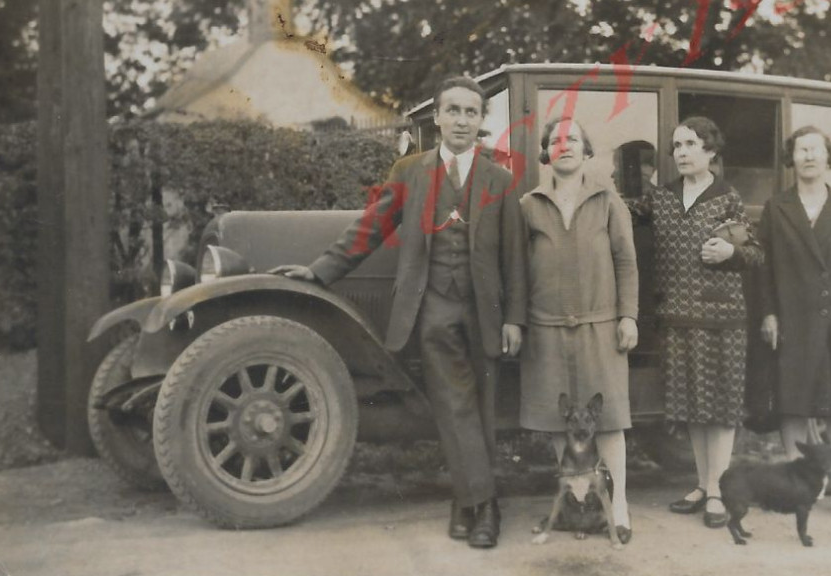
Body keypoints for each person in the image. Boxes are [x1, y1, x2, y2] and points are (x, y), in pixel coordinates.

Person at [275, 76, 526, 547]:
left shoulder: (501, 179)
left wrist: (515, 318)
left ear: (481, 121)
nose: (461, 121)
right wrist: (319, 272)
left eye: (471, 113)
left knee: (482, 410)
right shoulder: (410, 171)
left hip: (486, 311)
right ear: (437, 116)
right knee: (454, 405)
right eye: (453, 110)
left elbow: (516, 258)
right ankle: (485, 507)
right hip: (432, 307)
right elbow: (370, 228)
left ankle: (466, 499)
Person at [629, 116, 763, 530]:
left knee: (720, 409)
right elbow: (624, 213)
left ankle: (718, 491)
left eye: (690, 144)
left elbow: (755, 254)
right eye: (676, 146)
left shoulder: (728, 199)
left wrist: (731, 253)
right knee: (692, 406)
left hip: (721, 318)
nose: (682, 152)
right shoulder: (662, 197)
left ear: (710, 151)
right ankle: (704, 486)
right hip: (678, 318)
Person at [519, 117, 640, 543]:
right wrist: (518, 322)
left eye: (572, 138)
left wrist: (628, 316)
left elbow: (626, 260)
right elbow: (517, 270)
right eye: (555, 140)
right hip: (547, 328)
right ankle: (577, 501)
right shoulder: (529, 204)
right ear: (546, 152)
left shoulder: (608, 200)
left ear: (586, 150)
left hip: (599, 325)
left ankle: (619, 504)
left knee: (608, 422)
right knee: (559, 420)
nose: (564, 144)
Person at [758, 124, 831, 521]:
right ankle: (795, 483)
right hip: (791, 319)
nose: (808, 156)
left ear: (827, 158)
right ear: (793, 159)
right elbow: (765, 268)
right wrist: (769, 313)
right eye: (801, 149)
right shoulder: (777, 209)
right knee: (792, 403)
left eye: (815, 149)